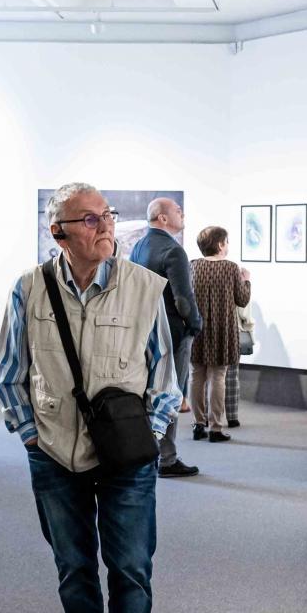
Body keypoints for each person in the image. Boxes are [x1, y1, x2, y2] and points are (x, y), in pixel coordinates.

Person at [0, 182, 181, 613]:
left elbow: (166, 375)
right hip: (53, 454)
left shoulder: (143, 287)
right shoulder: (30, 289)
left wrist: (149, 435)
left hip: (127, 459)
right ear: (60, 233)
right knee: (74, 569)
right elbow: (9, 373)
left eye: (108, 215)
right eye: (91, 219)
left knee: (131, 570)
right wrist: (31, 436)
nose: (106, 227)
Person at [128, 196, 202, 478]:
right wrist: (194, 324)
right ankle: (167, 459)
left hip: (144, 330)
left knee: (148, 393)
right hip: (172, 333)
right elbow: (183, 298)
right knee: (170, 393)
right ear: (162, 217)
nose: (182, 214)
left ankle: (146, 453)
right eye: (177, 210)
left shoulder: (139, 246)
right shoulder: (173, 250)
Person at [188, 225, 251, 442]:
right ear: (220, 244)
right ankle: (215, 428)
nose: (227, 245)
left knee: (196, 376)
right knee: (218, 376)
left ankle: (198, 425)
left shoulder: (193, 266)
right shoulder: (231, 268)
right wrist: (247, 280)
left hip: (197, 329)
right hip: (223, 330)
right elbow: (242, 300)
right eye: (226, 242)